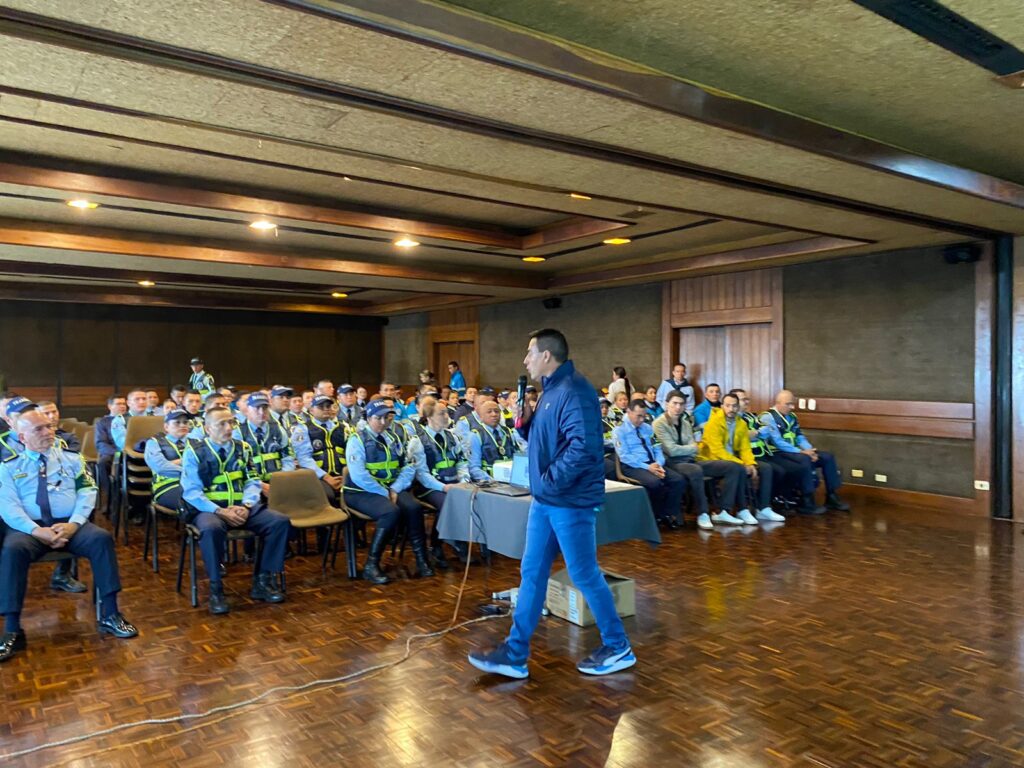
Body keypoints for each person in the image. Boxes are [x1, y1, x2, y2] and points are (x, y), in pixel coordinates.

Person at [469, 328, 635, 679]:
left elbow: (583, 449)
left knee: (585, 574)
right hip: (548, 500)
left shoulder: (574, 390)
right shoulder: (550, 392)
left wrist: (547, 483)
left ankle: (618, 646)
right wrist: (527, 423)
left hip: (568, 501)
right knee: (532, 573)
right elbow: (548, 442)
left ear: (546, 356)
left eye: (530, 352)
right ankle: (515, 653)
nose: (525, 359)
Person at [0, 410, 137, 661]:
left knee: (101, 539)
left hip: (70, 524)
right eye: (39, 429)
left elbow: (87, 491)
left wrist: (74, 524)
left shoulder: (71, 458)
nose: (48, 432)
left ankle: (110, 613)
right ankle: (12, 630)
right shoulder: (8, 466)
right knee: (12, 550)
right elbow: (8, 506)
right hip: (30, 528)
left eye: (49, 427)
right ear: (22, 437)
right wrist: (36, 530)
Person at [180, 405, 289, 615]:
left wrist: (247, 505)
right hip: (209, 510)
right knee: (211, 530)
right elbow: (192, 492)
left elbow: (252, 481)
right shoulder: (195, 452)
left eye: (231, 422)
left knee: (279, 522)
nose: (229, 427)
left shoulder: (243, 448)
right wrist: (220, 511)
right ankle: (216, 589)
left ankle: (263, 580)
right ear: (207, 428)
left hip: (242, 507)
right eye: (222, 423)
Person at [343, 399, 432, 583]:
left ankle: (422, 560)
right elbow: (359, 475)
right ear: (368, 418)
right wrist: (385, 492)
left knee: (414, 508)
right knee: (390, 512)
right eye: (378, 418)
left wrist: (394, 488)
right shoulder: (357, 439)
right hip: (361, 491)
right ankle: (371, 564)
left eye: (387, 417)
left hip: (391, 488)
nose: (383, 422)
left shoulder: (395, 437)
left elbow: (409, 466)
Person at [698, 392, 782, 525]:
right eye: (728, 406)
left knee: (766, 468)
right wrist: (742, 464)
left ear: (738, 407)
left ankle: (763, 508)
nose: (731, 409)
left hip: (732, 459)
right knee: (737, 468)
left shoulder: (741, 424)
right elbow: (717, 451)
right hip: (710, 459)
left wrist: (750, 463)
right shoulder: (712, 423)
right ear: (722, 406)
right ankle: (732, 510)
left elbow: (745, 448)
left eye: (734, 406)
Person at [760, 390, 849, 512]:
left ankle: (831, 496)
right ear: (778, 403)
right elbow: (777, 441)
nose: (792, 407)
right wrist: (800, 452)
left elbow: (799, 436)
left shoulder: (792, 417)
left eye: (792, 404)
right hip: (778, 453)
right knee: (805, 459)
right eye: (788, 404)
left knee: (827, 457)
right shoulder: (767, 417)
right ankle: (807, 501)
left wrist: (809, 449)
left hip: (796, 452)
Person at [408, 396, 471, 568]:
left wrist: (463, 480)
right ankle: (438, 545)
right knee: (448, 502)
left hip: (454, 483)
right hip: (429, 487)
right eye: (441, 413)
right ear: (429, 417)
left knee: (471, 498)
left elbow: (462, 462)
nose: (446, 416)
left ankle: (458, 540)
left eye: (446, 413)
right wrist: (443, 487)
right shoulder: (418, 440)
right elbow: (422, 475)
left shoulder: (453, 437)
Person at [651, 389, 724, 530]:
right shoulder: (658, 423)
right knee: (695, 470)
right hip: (672, 463)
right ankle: (703, 513)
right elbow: (671, 451)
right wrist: (691, 448)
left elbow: (692, 446)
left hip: (690, 460)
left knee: (730, 466)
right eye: (674, 403)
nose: (678, 407)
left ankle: (725, 511)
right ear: (667, 404)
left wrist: (690, 448)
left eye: (681, 404)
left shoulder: (685, 422)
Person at [613, 398, 685, 529]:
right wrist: (648, 467)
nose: (641, 420)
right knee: (655, 483)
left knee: (678, 480)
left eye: (643, 416)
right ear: (629, 412)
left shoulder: (647, 428)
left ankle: (667, 514)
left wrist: (658, 463)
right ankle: (655, 516)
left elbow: (657, 447)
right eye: (638, 416)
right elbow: (624, 456)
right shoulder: (619, 430)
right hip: (634, 466)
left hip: (653, 463)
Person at [733, 388, 788, 522]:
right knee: (767, 469)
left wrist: (755, 433)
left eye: (747, 399)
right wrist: (754, 433)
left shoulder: (750, 416)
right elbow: (741, 437)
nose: (746, 402)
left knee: (780, 471)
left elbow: (765, 430)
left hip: (760, 453)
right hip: (741, 456)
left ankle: (765, 503)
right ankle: (762, 507)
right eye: (743, 400)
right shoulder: (732, 418)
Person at [292, 395, 349, 505]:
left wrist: (346, 476)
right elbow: (304, 458)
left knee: (357, 494)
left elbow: (350, 454)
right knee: (328, 496)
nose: (326, 408)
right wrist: (326, 477)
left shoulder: (343, 428)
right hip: (317, 476)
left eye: (328, 406)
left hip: (342, 475)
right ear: (311, 410)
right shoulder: (303, 429)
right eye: (321, 406)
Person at [235, 393, 296, 489]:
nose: (261, 412)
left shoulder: (278, 429)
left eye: (264, 408)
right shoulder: (238, 432)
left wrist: (283, 478)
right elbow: (239, 465)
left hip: (279, 481)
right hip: (251, 485)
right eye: (257, 408)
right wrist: (260, 485)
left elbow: (288, 457)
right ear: (247, 410)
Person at [144, 409, 192, 511]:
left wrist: (174, 463)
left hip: (195, 484)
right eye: (177, 422)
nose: (182, 425)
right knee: (193, 502)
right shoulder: (154, 442)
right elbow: (160, 467)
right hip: (168, 486)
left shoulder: (196, 442)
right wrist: (189, 468)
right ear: (166, 427)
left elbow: (207, 464)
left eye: (185, 422)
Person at [467, 400, 522, 480]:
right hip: (489, 482)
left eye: (497, 411)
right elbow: (474, 468)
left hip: (511, 478)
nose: (494, 414)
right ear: (481, 416)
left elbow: (518, 456)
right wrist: (490, 481)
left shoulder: (508, 432)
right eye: (489, 412)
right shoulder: (476, 435)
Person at [94, 393, 128, 514]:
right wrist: (118, 453)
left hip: (129, 451)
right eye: (118, 404)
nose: (122, 406)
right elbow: (101, 443)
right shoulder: (103, 422)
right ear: (110, 406)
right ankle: (111, 498)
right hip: (112, 452)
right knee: (103, 463)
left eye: (124, 403)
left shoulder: (130, 419)